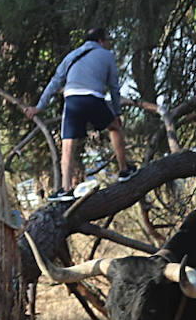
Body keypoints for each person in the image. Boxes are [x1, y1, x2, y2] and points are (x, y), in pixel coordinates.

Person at [26, 27, 133, 202]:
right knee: (114, 127)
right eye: (107, 40)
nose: (108, 44)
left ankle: (65, 189)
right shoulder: (107, 56)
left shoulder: (72, 55)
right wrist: (117, 112)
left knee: (68, 145)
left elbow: (55, 81)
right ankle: (123, 170)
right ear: (100, 41)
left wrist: (39, 107)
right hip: (94, 98)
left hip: (72, 100)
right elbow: (114, 87)